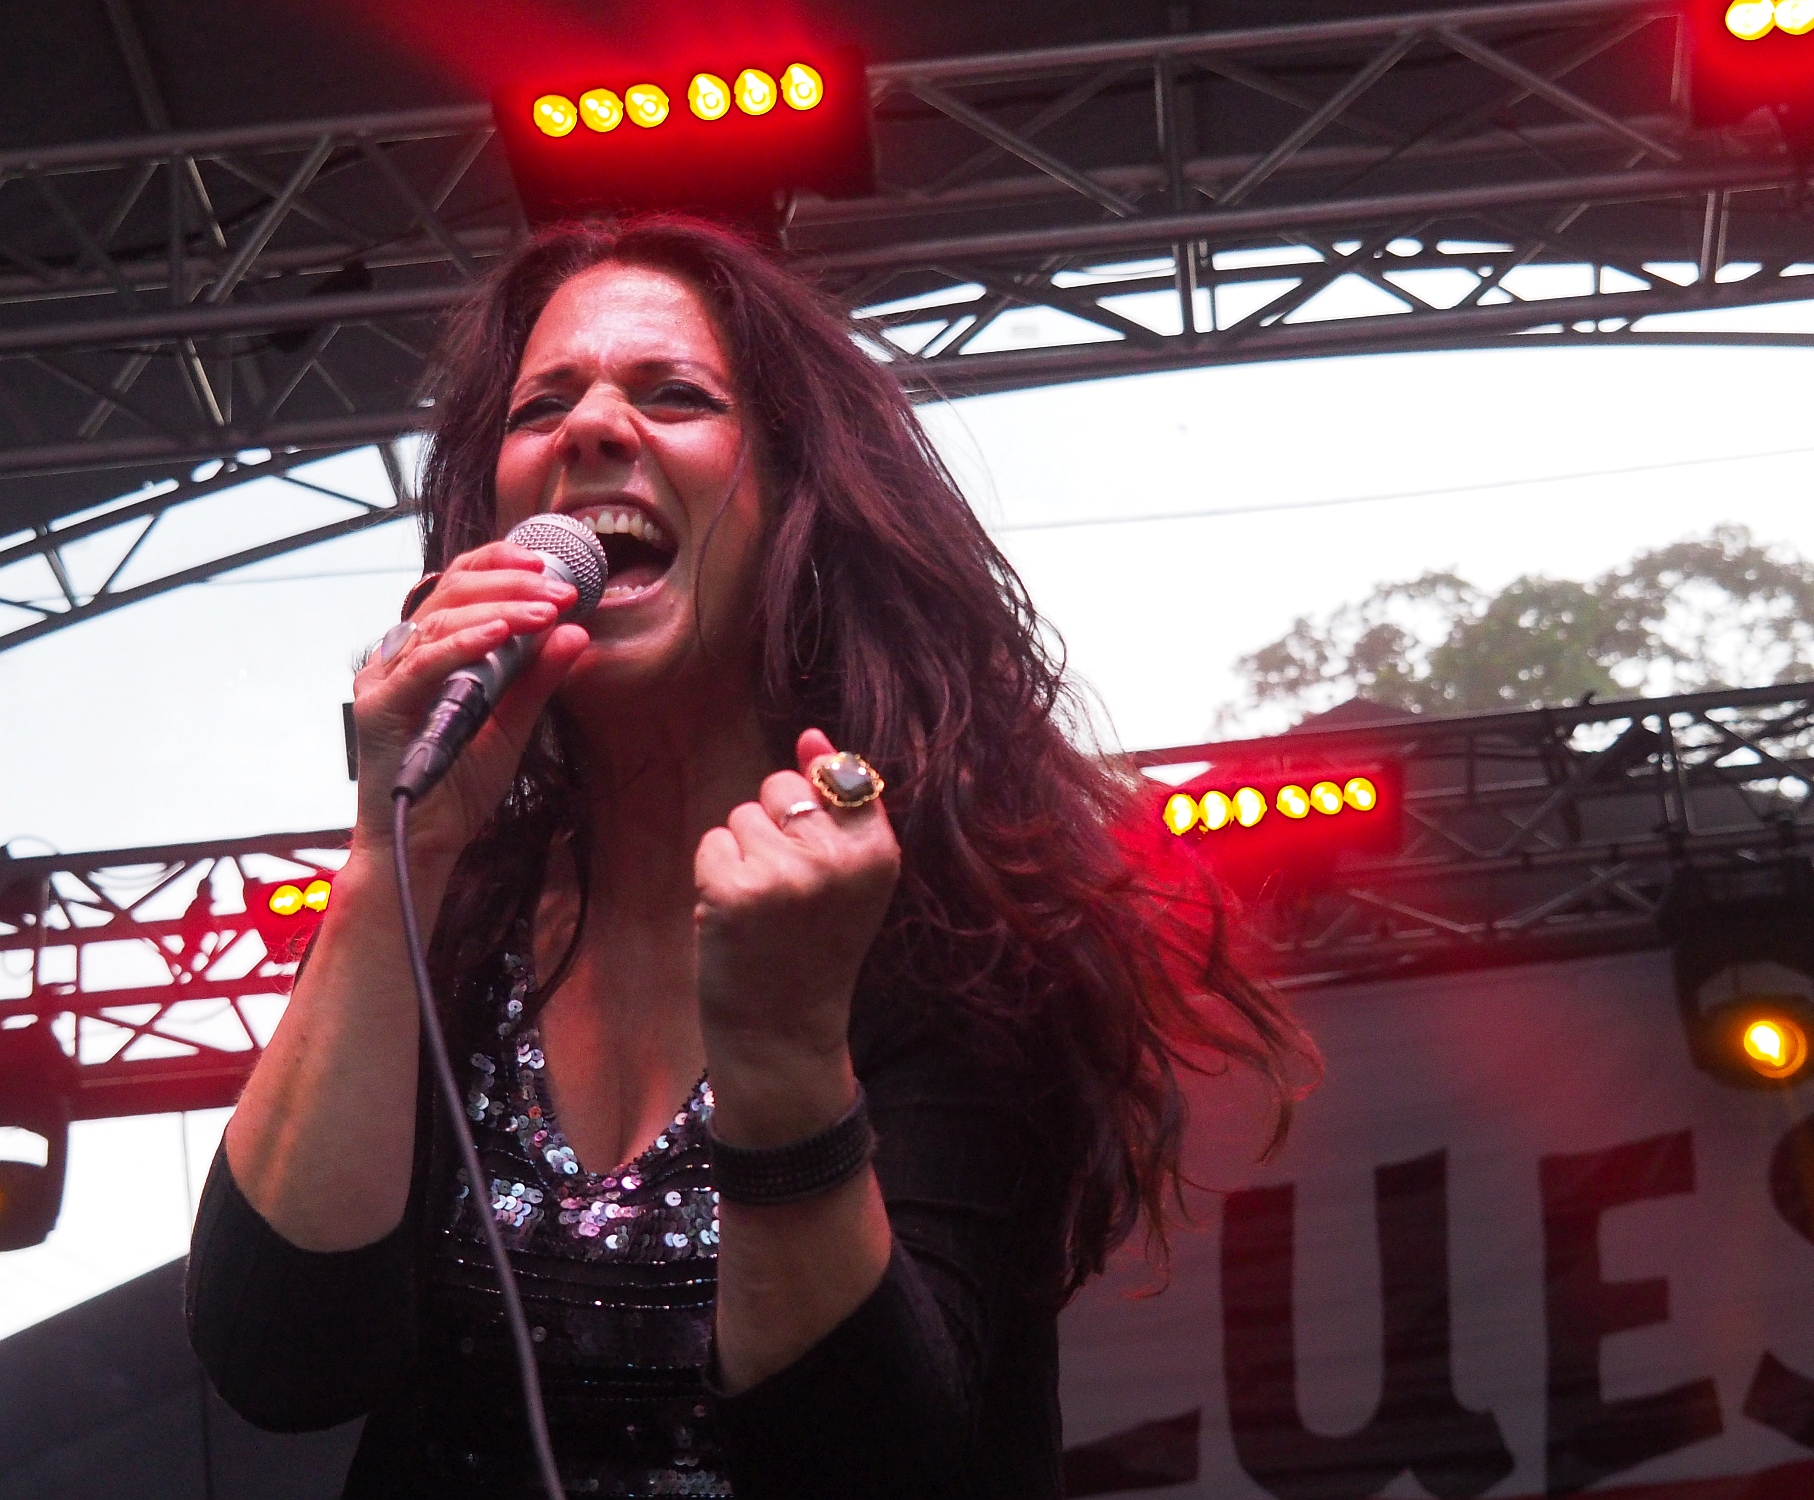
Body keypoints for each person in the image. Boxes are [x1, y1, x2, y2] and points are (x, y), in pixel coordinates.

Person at [185, 215, 1316, 1499]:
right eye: (540, 406)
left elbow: (881, 1471)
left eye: (672, 394)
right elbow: (279, 1362)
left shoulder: (948, 931)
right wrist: (402, 847)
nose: (590, 427)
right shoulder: (453, 907)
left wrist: (783, 1055)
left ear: (791, 502)